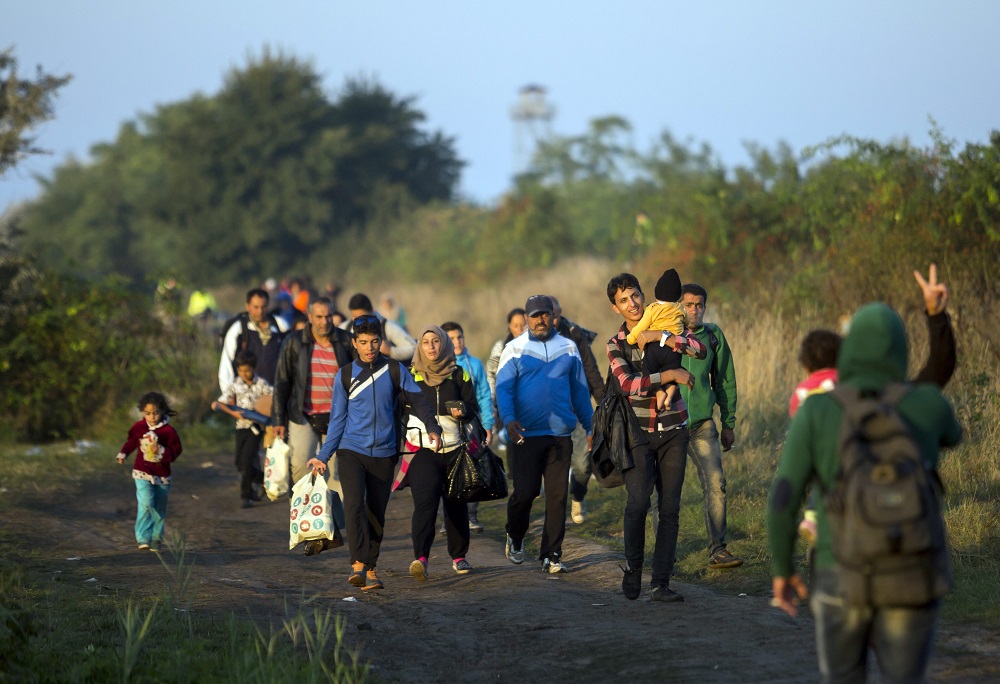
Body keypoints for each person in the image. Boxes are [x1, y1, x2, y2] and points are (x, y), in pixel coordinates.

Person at [768, 298, 961, 683]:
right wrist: (937, 319)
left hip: (839, 571)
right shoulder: (923, 405)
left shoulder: (817, 411)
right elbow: (950, 427)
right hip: (911, 573)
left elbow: (784, 497)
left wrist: (781, 569)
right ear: (901, 349)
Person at [309, 315, 441, 591]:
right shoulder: (344, 375)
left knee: (376, 512)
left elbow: (419, 400)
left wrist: (432, 427)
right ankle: (358, 564)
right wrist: (324, 456)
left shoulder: (394, 370)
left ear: (382, 341)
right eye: (364, 342)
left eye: (375, 342)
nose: (370, 348)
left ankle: (371, 568)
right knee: (355, 504)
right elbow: (337, 421)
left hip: (384, 452)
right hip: (350, 450)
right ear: (354, 343)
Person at [605, 272, 706, 602]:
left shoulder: (666, 321)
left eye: (635, 295)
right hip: (638, 434)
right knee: (637, 503)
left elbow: (698, 349)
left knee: (670, 509)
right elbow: (627, 385)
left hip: (675, 429)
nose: (632, 304)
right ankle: (634, 569)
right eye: (624, 300)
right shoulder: (616, 344)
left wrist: (661, 337)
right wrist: (672, 374)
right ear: (615, 308)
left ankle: (660, 583)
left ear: (643, 295)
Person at [496, 295, 594, 574]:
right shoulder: (514, 349)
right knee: (525, 493)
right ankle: (515, 535)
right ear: (526, 319)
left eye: (545, 314)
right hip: (525, 435)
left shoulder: (569, 347)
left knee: (557, 496)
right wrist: (509, 419)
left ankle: (551, 554)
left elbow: (579, 390)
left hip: (560, 435)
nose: (540, 320)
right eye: (534, 315)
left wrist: (590, 427)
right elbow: (504, 388)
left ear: (554, 316)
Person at [271, 296, 354, 549]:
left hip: (338, 418)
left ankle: (332, 529)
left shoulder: (344, 341)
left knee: (338, 475)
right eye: (318, 316)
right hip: (302, 415)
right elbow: (282, 381)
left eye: (328, 316)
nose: (324, 321)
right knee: (300, 467)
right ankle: (307, 523)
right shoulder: (294, 342)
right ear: (309, 317)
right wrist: (278, 419)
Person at [404, 326, 481, 580]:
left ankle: (459, 557)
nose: (431, 347)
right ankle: (421, 559)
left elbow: (473, 407)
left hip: (455, 449)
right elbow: (400, 411)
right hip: (422, 451)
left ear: (444, 344)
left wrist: (463, 411)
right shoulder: (410, 376)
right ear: (420, 346)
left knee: (456, 503)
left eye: (436, 341)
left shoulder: (459, 374)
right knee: (425, 502)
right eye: (426, 342)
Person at [678, 282, 744, 569]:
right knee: (664, 492)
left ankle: (718, 549)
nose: (694, 310)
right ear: (679, 306)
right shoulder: (666, 335)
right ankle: (661, 557)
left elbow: (725, 380)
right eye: (688, 304)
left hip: (703, 423)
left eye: (699, 305)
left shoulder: (713, 336)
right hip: (670, 424)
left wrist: (728, 422)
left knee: (717, 484)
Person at [548, 296, 606, 525]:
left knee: (582, 466)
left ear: (559, 313)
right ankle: (554, 519)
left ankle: (578, 495)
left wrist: (603, 403)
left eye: (554, 315)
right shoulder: (531, 341)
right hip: (549, 415)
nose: (550, 320)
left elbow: (591, 370)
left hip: (579, 410)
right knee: (556, 467)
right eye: (545, 314)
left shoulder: (574, 334)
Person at [442, 321, 494, 533]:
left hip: (472, 426)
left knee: (474, 469)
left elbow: (483, 396)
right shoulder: (439, 366)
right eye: (451, 338)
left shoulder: (474, 364)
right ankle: (449, 520)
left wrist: (488, 424)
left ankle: (472, 516)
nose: (457, 342)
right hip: (447, 430)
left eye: (459, 337)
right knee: (449, 473)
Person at [115, 392, 183, 551]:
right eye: (147, 414)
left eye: (155, 413)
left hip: (162, 476)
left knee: (159, 509)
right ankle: (143, 537)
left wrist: (161, 450)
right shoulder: (139, 427)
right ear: (142, 412)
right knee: (146, 502)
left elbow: (176, 451)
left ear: (163, 411)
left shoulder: (169, 431)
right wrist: (123, 453)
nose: (151, 417)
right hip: (142, 472)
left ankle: (156, 539)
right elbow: (132, 441)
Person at [212, 351, 273, 509]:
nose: (244, 374)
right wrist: (233, 412)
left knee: (246, 461)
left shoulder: (262, 384)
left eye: (247, 370)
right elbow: (221, 402)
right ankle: (263, 480)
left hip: (256, 428)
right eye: (240, 371)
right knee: (239, 462)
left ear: (253, 368)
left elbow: (272, 400)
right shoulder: (236, 384)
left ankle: (246, 496)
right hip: (241, 427)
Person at [627, 268, 687, 413]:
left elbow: (641, 327)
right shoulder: (680, 308)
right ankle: (669, 397)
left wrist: (631, 339)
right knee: (674, 373)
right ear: (678, 295)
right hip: (673, 349)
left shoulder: (652, 309)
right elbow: (688, 323)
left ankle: (660, 393)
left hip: (654, 349)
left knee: (648, 371)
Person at [218, 288, 289, 393]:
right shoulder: (239, 329)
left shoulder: (280, 326)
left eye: (263, 307)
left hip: (275, 394)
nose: (260, 311)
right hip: (246, 395)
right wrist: (228, 394)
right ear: (247, 306)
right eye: (256, 307)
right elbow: (226, 364)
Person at [341, 293, 417, 363]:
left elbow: (413, 348)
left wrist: (391, 351)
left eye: (362, 317)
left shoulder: (387, 327)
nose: (358, 321)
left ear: (371, 311)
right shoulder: (345, 328)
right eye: (354, 317)